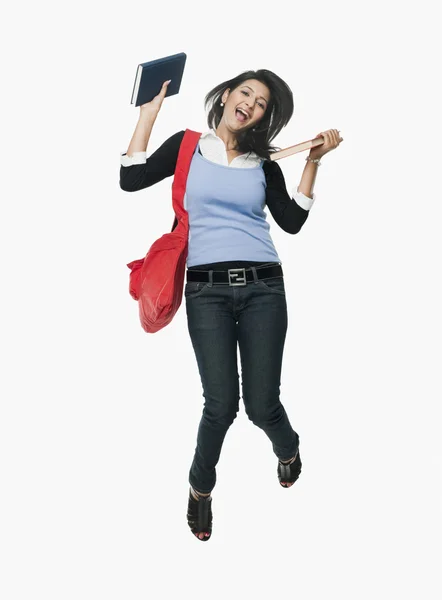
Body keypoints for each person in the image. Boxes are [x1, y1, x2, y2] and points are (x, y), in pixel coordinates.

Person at [120, 69, 343, 542]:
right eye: (245, 93)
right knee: (221, 406)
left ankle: (289, 450)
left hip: (264, 287)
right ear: (225, 96)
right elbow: (131, 178)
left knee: (262, 406)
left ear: (265, 116)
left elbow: (292, 222)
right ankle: (200, 490)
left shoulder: (265, 165)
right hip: (207, 292)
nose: (251, 104)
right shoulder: (187, 147)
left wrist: (314, 162)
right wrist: (149, 114)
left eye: (262, 103)